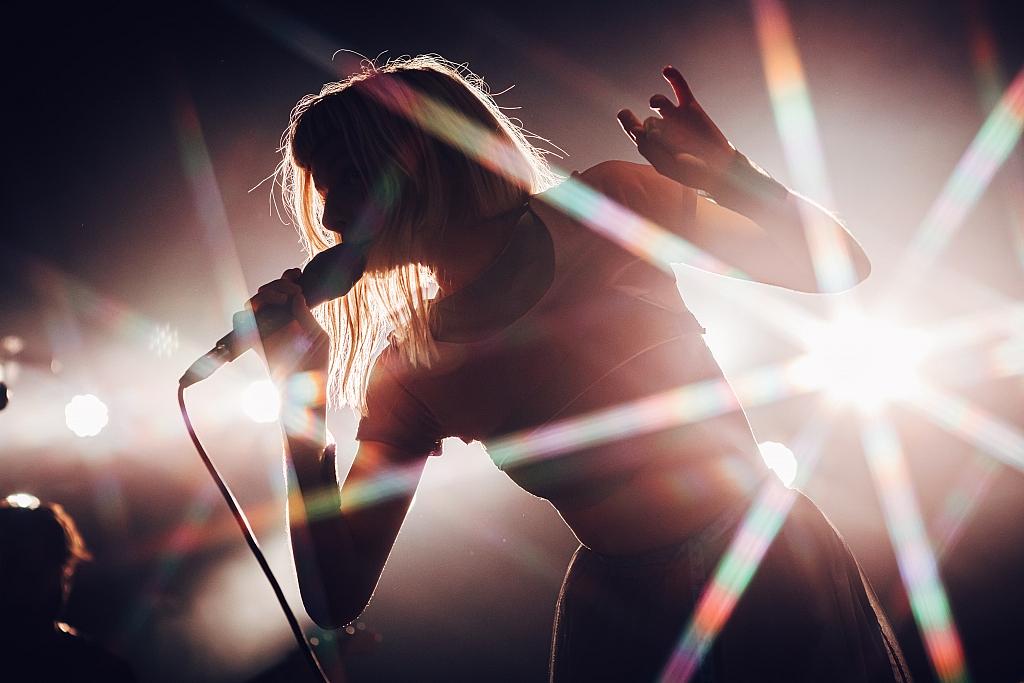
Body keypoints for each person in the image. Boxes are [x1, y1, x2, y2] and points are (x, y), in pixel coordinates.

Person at [250, 55, 910, 681]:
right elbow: (335, 596)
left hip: (771, 572)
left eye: (342, 178)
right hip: (629, 627)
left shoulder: (610, 204)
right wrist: (299, 403)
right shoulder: (412, 366)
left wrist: (730, 174)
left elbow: (841, 267)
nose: (331, 217)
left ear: (413, 158)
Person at [0, 494, 136, 681]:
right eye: (16, 566)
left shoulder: (102, 669)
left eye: (37, 568)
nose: (24, 584)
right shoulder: (100, 669)